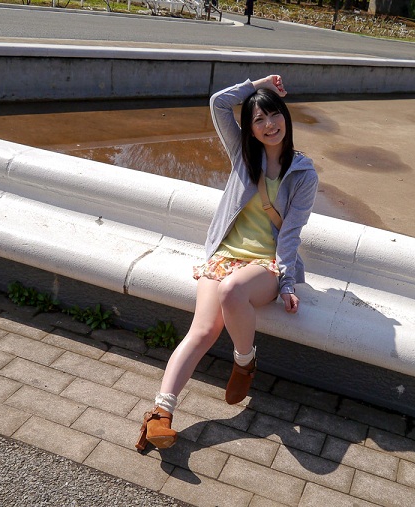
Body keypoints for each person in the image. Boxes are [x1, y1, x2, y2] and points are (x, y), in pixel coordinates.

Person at [136, 75, 319, 452]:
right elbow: (218, 103)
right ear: (249, 129)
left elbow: (291, 233)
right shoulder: (243, 155)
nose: (269, 125)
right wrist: (260, 84)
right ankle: (160, 413)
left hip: (265, 264)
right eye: (258, 119)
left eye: (274, 115)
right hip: (224, 255)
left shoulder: (303, 173)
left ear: (285, 117)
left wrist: (286, 283)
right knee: (202, 331)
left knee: (233, 291)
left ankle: (244, 361)